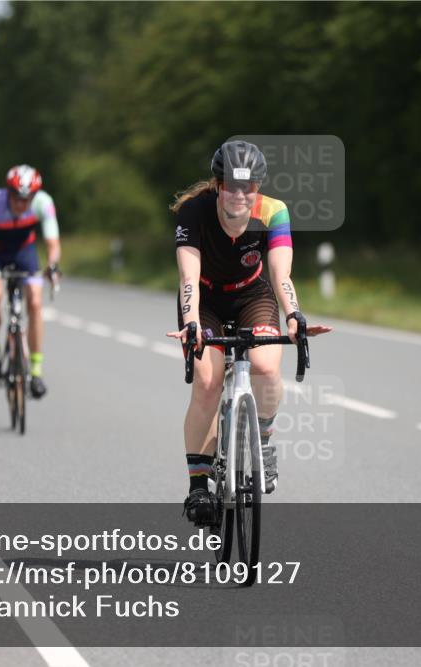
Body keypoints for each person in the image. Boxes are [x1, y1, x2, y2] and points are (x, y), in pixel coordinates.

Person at [166, 140, 331, 524]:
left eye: (249, 186)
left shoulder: (273, 212)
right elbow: (188, 277)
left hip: (252, 295)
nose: (240, 194)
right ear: (218, 184)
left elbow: (280, 275)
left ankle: (265, 440)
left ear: (258, 187)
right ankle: (198, 487)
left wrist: (294, 316)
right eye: (231, 185)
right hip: (204, 299)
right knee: (207, 382)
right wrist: (191, 323)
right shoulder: (195, 211)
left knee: (267, 367)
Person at [0, 165, 61, 399]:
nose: (22, 204)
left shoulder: (43, 202)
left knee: (36, 303)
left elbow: (53, 243)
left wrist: (52, 265)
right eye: (17, 198)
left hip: (23, 251)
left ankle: (37, 372)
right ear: (8, 192)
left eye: (27, 199)